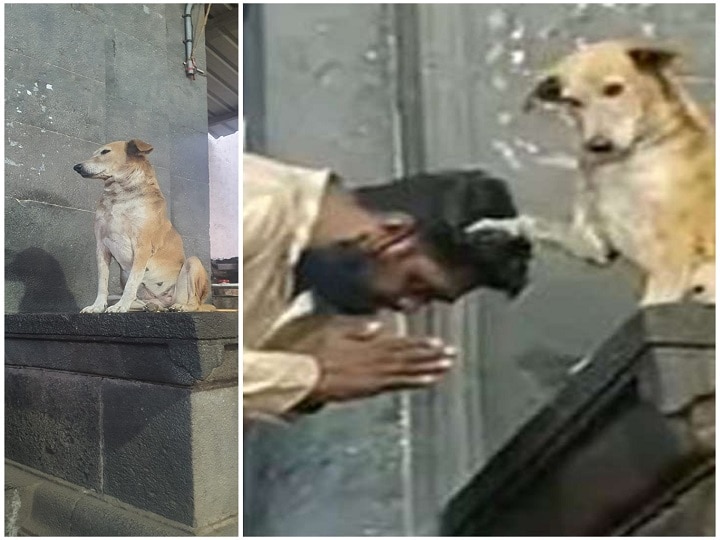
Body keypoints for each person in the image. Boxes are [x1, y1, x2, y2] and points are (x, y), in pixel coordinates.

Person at [244, 153, 531, 420]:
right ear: (394, 235)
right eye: (417, 285)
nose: (406, 306)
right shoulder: (253, 211)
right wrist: (306, 377)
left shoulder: (286, 256)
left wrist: (294, 364)